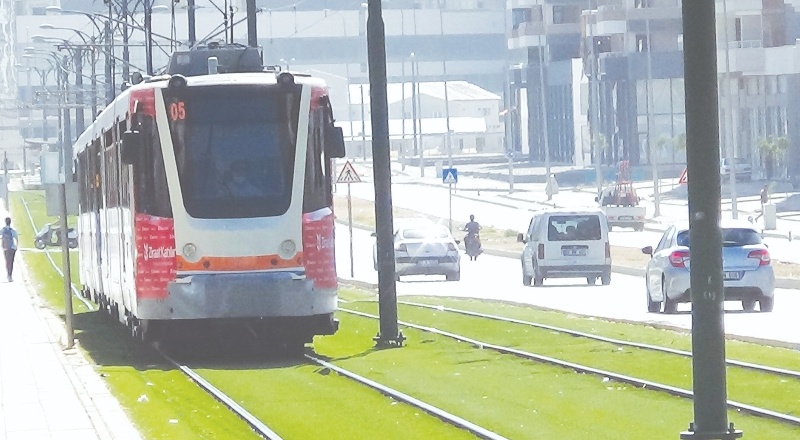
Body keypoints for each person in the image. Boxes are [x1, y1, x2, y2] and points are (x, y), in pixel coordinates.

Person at [2, 217, 19, 282]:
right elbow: (16, 238)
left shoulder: (3, 230)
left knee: (7, 261)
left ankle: (8, 274)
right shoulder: (12, 230)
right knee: (11, 262)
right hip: (12, 248)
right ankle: (10, 275)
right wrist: (16, 246)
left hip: (6, 248)